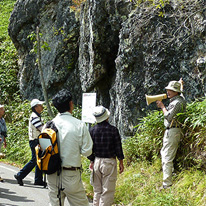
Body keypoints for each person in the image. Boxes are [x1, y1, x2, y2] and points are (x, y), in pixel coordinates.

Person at [47, 89, 93, 206]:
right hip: (71, 174)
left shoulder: (48, 125)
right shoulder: (79, 125)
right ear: (71, 104)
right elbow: (87, 151)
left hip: (52, 174)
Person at [88, 106, 124, 206]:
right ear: (107, 117)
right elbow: (118, 147)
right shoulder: (113, 130)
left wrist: (92, 160)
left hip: (97, 161)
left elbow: (89, 148)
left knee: (97, 190)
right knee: (107, 191)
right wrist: (121, 161)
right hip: (109, 162)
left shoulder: (92, 130)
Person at [156, 80, 186, 189]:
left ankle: (167, 185)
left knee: (167, 157)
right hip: (172, 131)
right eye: (168, 89)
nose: (168, 91)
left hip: (173, 131)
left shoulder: (177, 102)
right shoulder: (178, 99)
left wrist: (162, 107)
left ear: (176, 92)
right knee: (165, 153)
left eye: (171, 90)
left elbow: (169, 117)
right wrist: (180, 84)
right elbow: (181, 93)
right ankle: (171, 174)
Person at [14, 99, 45, 186]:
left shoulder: (36, 115)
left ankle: (38, 179)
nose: (42, 107)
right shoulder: (34, 116)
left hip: (36, 140)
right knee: (35, 160)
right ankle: (20, 175)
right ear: (35, 107)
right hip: (35, 140)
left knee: (39, 159)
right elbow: (41, 128)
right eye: (40, 105)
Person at [0, 105, 7, 182]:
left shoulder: (2, 120)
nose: (3, 111)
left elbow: (4, 132)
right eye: (2, 109)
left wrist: (5, 141)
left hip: (1, 140)